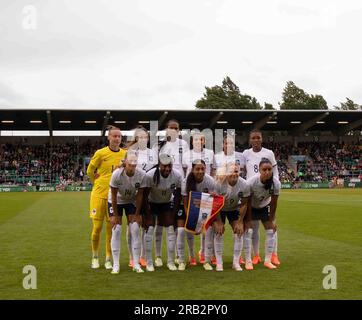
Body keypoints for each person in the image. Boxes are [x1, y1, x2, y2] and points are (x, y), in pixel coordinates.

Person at [86, 126, 127, 270]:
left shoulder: (124, 154)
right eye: (114, 136)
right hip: (98, 195)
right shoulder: (100, 153)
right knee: (97, 228)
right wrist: (95, 181)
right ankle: (95, 257)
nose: (117, 139)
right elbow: (90, 170)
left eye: (119, 136)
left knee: (111, 229)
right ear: (108, 137)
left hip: (114, 197)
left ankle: (109, 258)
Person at [152, 119, 189, 267]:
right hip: (163, 186)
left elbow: (187, 166)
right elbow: (155, 165)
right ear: (166, 130)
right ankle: (159, 256)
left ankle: (175, 256)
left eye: (176, 128)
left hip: (178, 185)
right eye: (171, 128)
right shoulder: (159, 145)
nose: (173, 130)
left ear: (179, 131)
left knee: (175, 223)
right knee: (161, 223)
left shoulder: (184, 144)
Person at [241, 129, 280, 266]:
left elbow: (274, 171)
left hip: (266, 190)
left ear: (262, 139)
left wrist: (274, 185)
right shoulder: (246, 153)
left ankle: (273, 255)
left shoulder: (269, 153)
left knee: (272, 225)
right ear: (250, 140)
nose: (256, 140)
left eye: (258, 137)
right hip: (252, 192)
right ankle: (256, 255)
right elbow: (243, 170)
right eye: (254, 138)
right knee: (254, 228)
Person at [108, 152, 148, 274]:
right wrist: (115, 215)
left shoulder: (141, 175)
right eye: (130, 165)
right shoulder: (116, 175)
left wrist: (137, 214)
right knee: (117, 229)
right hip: (116, 201)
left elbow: (140, 195)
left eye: (134, 165)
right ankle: (116, 264)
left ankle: (136, 263)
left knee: (135, 228)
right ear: (125, 163)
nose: (132, 168)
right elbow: (114, 196)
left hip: (131, 200)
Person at [143, 153, 182, 271]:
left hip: (166, 203)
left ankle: (170, 262)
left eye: (169, 166)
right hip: (152, 202)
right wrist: (147, 214)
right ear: (159, 165)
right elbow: (144, 196)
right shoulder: (150, 175)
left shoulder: (177, 175)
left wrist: (173, 213)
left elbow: (179, 195)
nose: (167, 169)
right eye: (164, 166)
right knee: (150, 229)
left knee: (170, 228)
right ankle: (149, 262)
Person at [126, 126, 158, 268]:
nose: (143, 139)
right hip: (133, 193)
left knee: (147, 225)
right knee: (132, 225)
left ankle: (143, 256)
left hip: (149, 194)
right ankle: (132, 257)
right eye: (140, 137)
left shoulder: (153, 153)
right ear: (136, 138)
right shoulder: (130, 152)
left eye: (145, 137)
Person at [182, 131, 216, 265]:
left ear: (204, 141)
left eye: (201, 140)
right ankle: (191, 256)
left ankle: (204, 252)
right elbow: (185, 172)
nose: (198, 142)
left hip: (206, 193)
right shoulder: (186, 155)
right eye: (196, 140)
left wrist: (211, 187)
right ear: (192, 141)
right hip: (192, 193)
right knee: (190, 225)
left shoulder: (210, 153)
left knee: (205, 224)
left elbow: (212, 171)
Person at [213, 163, 250, 271]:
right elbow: (215, 204)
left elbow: (244, 204)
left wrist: (240, 221)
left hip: (233, 209)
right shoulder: (218, 184)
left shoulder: (244, 184)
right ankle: (219, 262)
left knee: (239, 231)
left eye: (236, 171)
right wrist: (219, 222)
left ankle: (236, 262)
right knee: (218, 231)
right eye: (231, 171)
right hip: (219, 209)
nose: (234, 174)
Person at [247, 158, 281, 269]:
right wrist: (247, 219)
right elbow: (246, 201)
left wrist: (271, 220)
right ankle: (254, 256)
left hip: (265, 206)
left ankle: (268, 260)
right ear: (259, 170)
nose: (267, 172)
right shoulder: (252, 182)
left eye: (269, 169)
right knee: (250, 230)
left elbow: (274, 204)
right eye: (264, 169)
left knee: (271, 229)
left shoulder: (276, 183)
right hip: (252, 207)